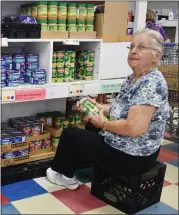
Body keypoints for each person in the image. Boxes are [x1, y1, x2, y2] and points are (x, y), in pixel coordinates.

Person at [46, 28, 169, 190]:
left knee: (71, 135)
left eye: (141, 47)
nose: (133, 51)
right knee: (90, 126)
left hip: (134, 156)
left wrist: (103, 123)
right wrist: (99, 107)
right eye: (132, 47)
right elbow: (123, 109)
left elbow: (133, 127)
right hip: (132, 147)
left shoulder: (151, 83)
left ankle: (63, 176)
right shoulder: (135, 77)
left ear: (156, 55)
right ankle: (92, 164)